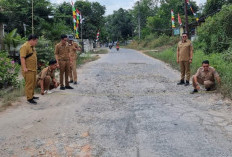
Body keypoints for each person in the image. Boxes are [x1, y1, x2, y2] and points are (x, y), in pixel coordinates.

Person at [20, 34, 39, 105]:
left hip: (33, 69)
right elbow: (22, 58)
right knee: (29, 84)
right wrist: (24, 68)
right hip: (28, 69)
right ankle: (29, 98)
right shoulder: (25, 46)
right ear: (31, 40)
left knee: (33, 83)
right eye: (35, 41)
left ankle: (32, 95)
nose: (36, 43)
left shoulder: (32, 47)